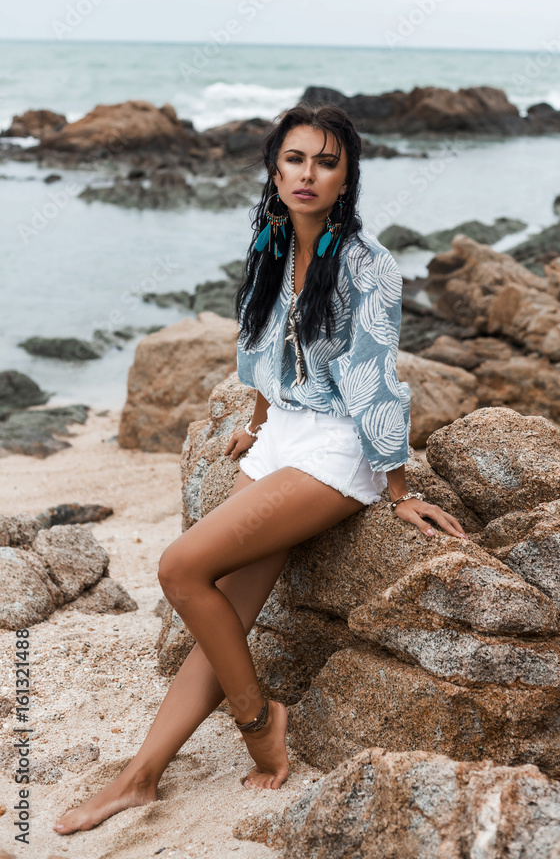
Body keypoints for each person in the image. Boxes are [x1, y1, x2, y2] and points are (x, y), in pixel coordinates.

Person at [53, 102, 466, 835]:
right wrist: (255, 420)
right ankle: (139, 778)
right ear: (274, 169)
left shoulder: (369, 266)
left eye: (326, 162)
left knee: (180, 569)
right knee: (227, 610)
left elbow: (375, 377)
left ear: (347, 178)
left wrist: (398, 489)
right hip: (282, 435)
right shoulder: (270, 237)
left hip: (338, 447)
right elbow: (259, 342)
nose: (308, 175)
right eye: (296, 159)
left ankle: (258, 721)